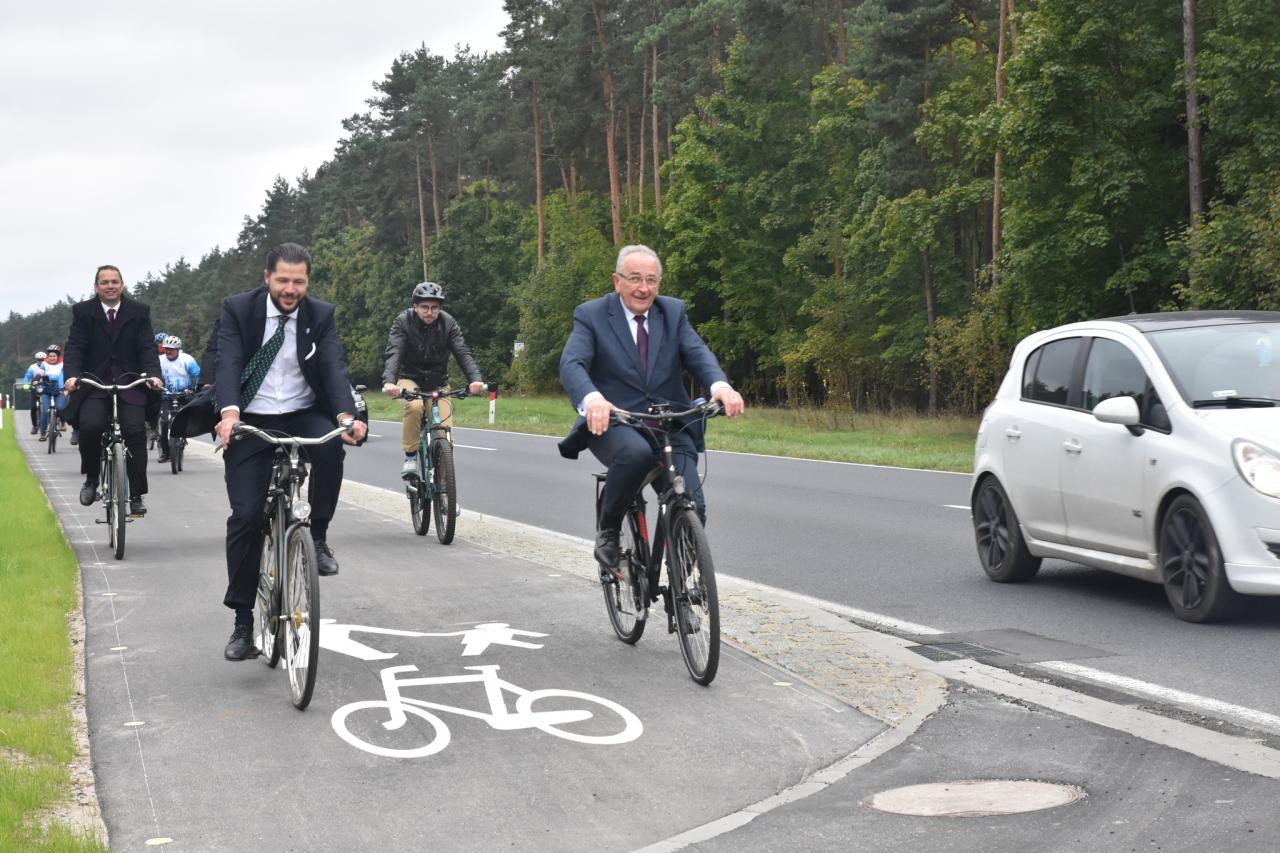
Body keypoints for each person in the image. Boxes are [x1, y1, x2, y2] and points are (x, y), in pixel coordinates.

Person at [213, 242, 367, 661]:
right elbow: (226, 362)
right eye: (283, 279)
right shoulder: (238, 309)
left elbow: (334, 367)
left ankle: (317, 536)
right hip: (252, 416)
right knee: (245, 516)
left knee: (331, 449)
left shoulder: (321, 314)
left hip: (302, 411)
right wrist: (229, 413)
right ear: (267, 277)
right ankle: (244, 621)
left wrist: (344, 416)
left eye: (299, 281)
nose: (291, 288)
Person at [558, 244, 745, 579]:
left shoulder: (672, 313)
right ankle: (610, 529)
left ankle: (679, 585)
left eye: (651, 280)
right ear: (617, 281)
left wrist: (721, 387)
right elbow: (572, 363)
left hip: (668, 422)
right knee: (636, 454)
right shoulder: (592, 315)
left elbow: (698, 353)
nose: (643, 288)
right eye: (634, 279)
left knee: (693, 505)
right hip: (615, 420)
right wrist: (593, 399)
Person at [63, 265, 163, 515]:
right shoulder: (83, 312)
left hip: (129, 382)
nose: (110, 286)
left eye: (114, 281)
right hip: (95, 383)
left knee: (135, 432)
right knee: (90, 426)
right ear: (96, 287)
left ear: (122, 284)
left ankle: (137, 494)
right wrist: (72, 376)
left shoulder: (138, 312)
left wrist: (153, 375)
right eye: (104, 282)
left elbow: (146, 348)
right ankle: (91, 479)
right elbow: (75, 346)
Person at [380, 281, 484, 476]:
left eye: (434, 307)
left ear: (440, 308)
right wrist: (390, 382)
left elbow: (462, 352)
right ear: (415, 307)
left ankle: (445, 495)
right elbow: (395, 352)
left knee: (444, 434)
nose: (429, 312)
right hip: (409, 378)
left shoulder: (449, 323)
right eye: (424, 307)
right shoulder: (403, 322)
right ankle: (410, 456)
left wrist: (475, 379)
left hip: (438, 382)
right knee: (415, 406)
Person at [156, 335, 201, 463]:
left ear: (178, 349)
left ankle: (183, 437)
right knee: (164, 422)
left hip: (184, 394)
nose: (168, 351)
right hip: (166, 396)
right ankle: (165, 452)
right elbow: (154, 375)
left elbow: (198, 375)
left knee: (190, 414)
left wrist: (196, 388)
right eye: (166, 349)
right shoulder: (160, 360)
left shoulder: (187, 360)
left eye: (171, 349)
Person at [34, 346, 68, 440]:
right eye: (50, 356)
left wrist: (63, 387)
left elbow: (63, 375)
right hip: (47, 389)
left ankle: (62, 421)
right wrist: (36, 379)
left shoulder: (62, 364)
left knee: (60, 408)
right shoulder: (44, 363)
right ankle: (43, 434)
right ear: (48, 356)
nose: (52, 358)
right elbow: (40, 372)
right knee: (45, 411)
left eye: (54, 356)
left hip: (59, 389)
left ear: (58, 356)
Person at [22, 351, 47, 434]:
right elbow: (27, 376)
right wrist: (26, 384)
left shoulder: (48, 367)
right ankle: (35, 426)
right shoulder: (32, 367)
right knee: (33, 408)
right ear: (36, 360)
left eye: (42, 360)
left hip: (45, 388)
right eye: (39, 360)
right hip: (34, 388)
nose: (41, 361)